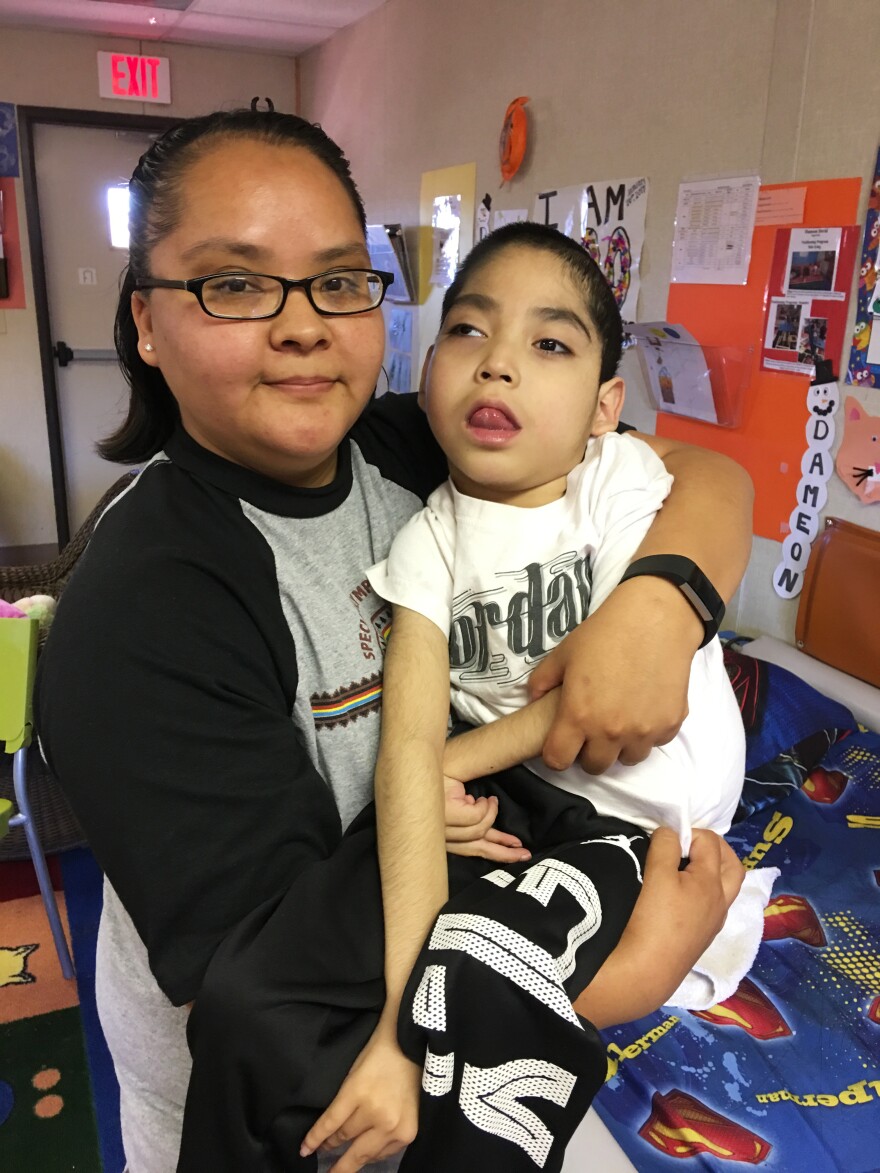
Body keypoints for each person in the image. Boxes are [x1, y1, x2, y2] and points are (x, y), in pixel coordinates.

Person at [33, 108, 753, 1173]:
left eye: (335, 280)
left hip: (468, 984)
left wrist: (661, 600)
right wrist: (622, 976)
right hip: (299, 1096)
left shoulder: (411, 441)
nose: (301, 326)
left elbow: (701, 475)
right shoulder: (140, 613)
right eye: (234, 283)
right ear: (146, 323)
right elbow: (274, 984)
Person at [366, 220, 776, 1013]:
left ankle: (634, 978)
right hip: (551, 815)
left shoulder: (615, 481)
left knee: (520, 989)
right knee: (426, 948)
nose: (498, 362)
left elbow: (604, 689)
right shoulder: (426, 539)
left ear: (605, 407)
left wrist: (447, 766)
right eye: (467, 329)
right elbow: (407, 740)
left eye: (550, 344)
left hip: (661, 807)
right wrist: (426, 781)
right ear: (426, 379)